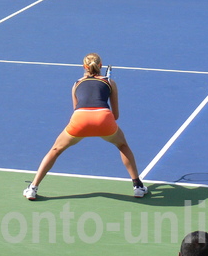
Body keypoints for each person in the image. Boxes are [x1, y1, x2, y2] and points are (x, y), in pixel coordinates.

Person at [22, 53, 147, 200]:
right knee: (122, 145)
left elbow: (76, 110)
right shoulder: (110, 82)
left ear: (84, 67)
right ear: (100, 66)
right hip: (104, 119)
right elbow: (116, 115)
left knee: (55, 150)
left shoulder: (76, 84)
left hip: (80, 120)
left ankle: (33, 188)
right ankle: (138, 186)